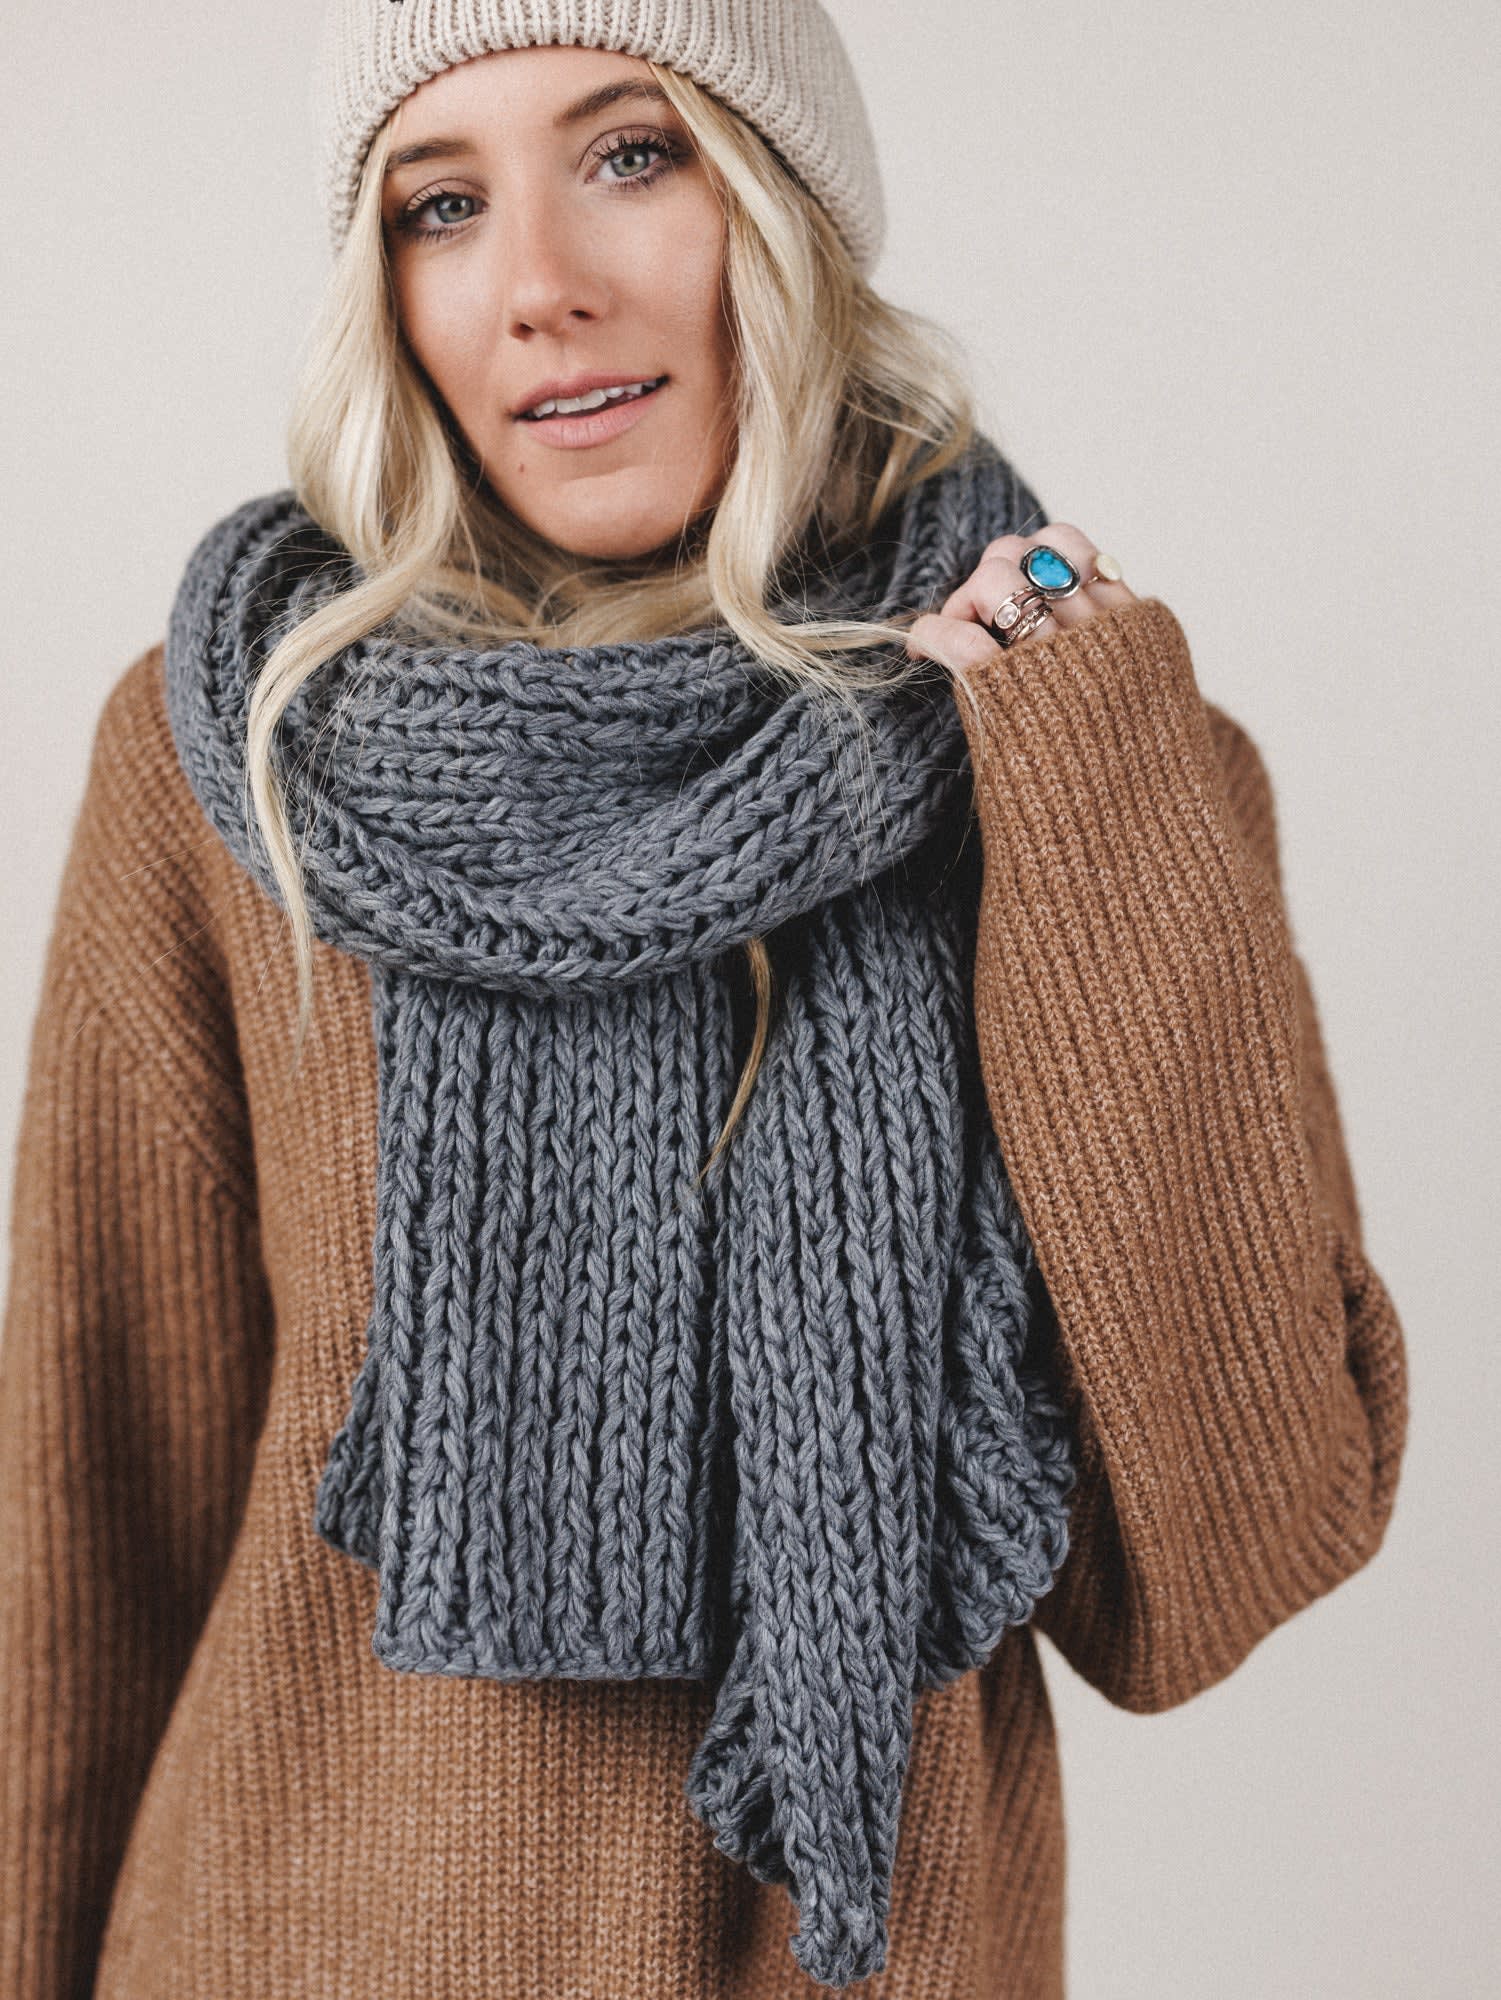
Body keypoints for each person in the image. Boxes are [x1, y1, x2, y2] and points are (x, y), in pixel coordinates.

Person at [0, 4, 1409, 1996]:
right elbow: (85, 1537)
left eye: (631, 153)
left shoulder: (1079, 765)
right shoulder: (239, 759)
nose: (537, 285)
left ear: (788, 205)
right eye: (438, 205)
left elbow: (1211, 1578)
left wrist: (1084, 794)